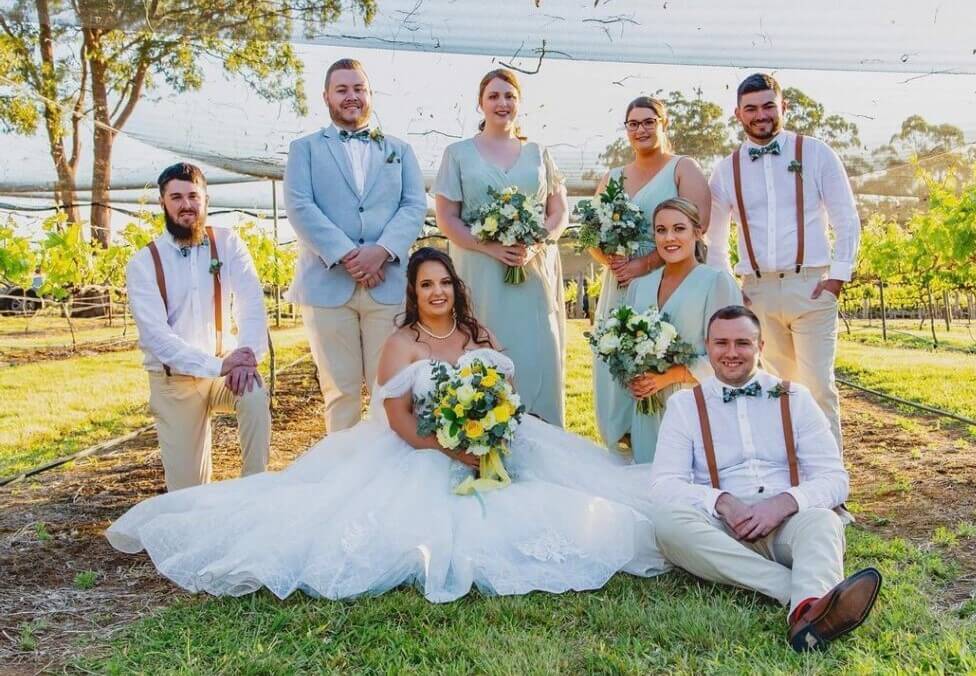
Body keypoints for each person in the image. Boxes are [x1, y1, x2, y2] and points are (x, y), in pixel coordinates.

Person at [107, 248, 668, 602]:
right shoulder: (400, 345)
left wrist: (491, 435)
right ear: (414, 294)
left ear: (455, 287)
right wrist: (451, 448)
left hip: (493, 447)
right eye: (426, 286)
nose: (437, 293)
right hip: (420, 452)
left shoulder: (480, 337)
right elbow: (397, 420)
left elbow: (509, 396)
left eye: (444, 283)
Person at [651, 305, 880, 652]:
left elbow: (835, 478)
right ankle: (806, 600)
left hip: (787, 524)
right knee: (667, 525)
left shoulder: (796, 398)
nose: (731, 353)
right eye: (721, 343)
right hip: (722, 530)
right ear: (707, 347)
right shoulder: (684, 406)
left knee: (823, 523)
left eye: (742, 343)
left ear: (760, 347)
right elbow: (663, 485)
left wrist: (784, 503)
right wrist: (721, 502)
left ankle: (805, 614)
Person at [706, 73, 860, 450]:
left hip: (809, 286)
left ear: (783, 107)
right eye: (751, 108)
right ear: (738, 114)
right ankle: (789, 479)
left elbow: (846, 217)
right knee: (776, 390)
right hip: (755, 293)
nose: (761, 115)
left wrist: (837, 278)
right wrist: (731, 291)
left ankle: (830, 491)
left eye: (768, 106)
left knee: (818, 389)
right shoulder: (726, 169)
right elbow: (714, 237)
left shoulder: (817, 153)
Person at [284, 57, 427, 434]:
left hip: (388, 285)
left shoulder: (401, 150)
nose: (352, 97)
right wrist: (350, 256)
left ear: (370, 94)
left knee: (391, 390)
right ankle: (343, 482)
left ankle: (388, 477)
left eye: (358, 88)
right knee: (340, 393)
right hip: (326, 286)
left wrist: (380, 251)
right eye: (342, 89)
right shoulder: (305, 150)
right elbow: (300, 206)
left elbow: (414, 205)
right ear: (327, 97)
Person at [433, 68, 568, 426]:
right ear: (480, 104)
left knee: (538, 349)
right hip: (479, 271)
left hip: (532, 271)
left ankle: (544, 432)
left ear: (519, 103)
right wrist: (490, 248)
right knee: (484, 346)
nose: (502, 103)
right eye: (493, 96)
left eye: (509, 96)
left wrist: (538, 242)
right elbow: (447, 217)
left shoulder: (540, 153)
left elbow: (559, 212)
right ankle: (483, 431)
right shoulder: (458, 154)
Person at [125, 163, 270, 491]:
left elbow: (251, 303)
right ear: (163, 202)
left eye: (193, 196)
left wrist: (246, 357)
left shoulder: (228, 243)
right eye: (176, 197)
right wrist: (218, 365)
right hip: (174, 382)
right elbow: (158, 338)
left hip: (226, 370)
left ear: (206, 200)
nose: (186, 204)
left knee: (254, 392)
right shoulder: (144, 263)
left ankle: (255, 493)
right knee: (188, 493)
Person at [591, 96, 712, 452]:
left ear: (664, 124)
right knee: (615, 359)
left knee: (659, 357)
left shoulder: (682, 168)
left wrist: (644, 265)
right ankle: (621, 444)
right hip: (620, 283)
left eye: (649, 121)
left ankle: (663, 445)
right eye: (633, 123)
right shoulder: (612, 177)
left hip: (668, 280)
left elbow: (698, 223)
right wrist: (612, 261)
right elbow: (592, 234)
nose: (641, 129)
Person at [624, 198, 742, 464]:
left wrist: (670, 376)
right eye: (661, 230)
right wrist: (634, 376)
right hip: (647, 412)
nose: (669, 238)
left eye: (679, 229)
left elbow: (731, 357)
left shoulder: (716, 283)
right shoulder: (638, 287)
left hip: (697, 410)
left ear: (697, 233)